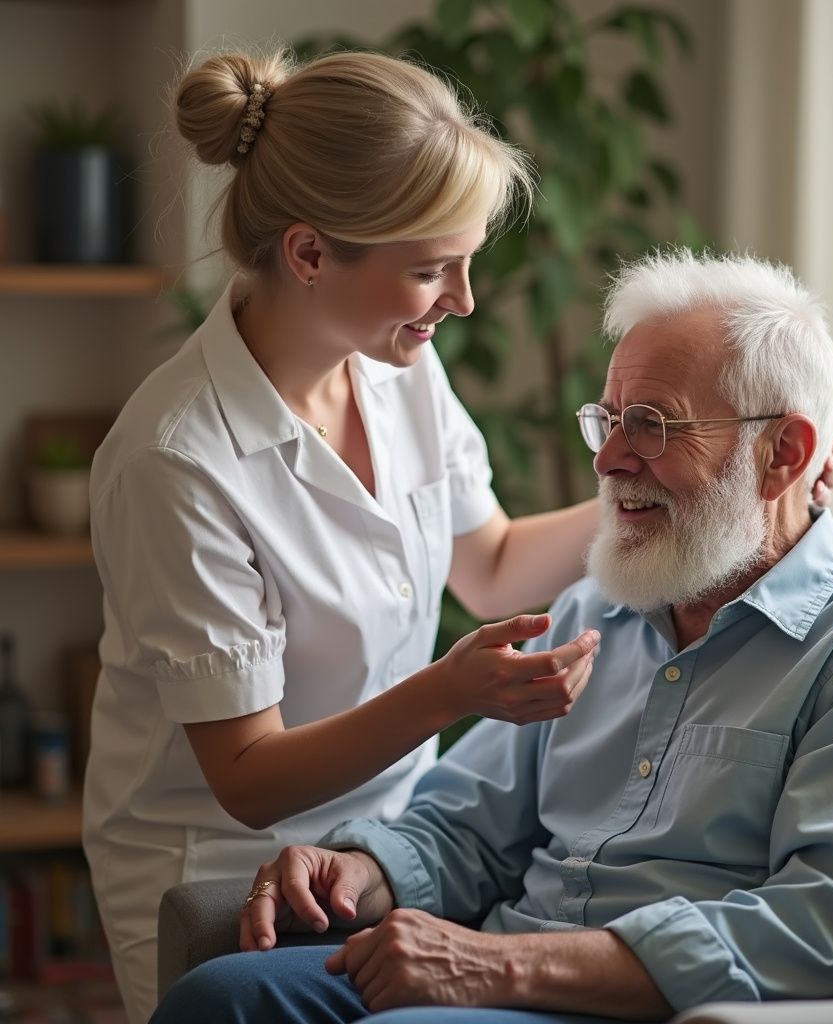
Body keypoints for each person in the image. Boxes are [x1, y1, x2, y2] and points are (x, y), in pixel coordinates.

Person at [151, 250, 833, 1024]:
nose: (608, 461)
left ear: (784, 454)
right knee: (219, 1000)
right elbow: (468, 830)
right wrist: (357, 870)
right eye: (608, 420)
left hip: (638, 1005)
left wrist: (496, 967)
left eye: (651, 426)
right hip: (495, 969)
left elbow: (812, 934)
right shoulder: (594, 611)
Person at [84, 48, 609, 1024]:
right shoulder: (177, 459)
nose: (463, 299)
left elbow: (491, 566)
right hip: (221, 873)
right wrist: (449, 691)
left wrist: (667, 493)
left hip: (389, 851)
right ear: (311, 254)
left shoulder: (401, 369)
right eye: (430, 270)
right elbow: (248, 777)